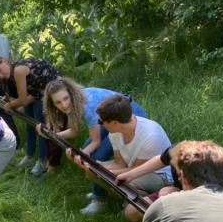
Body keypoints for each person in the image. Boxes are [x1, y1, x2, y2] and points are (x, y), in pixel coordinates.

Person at [42, 78, 148, 214]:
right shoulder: (73, 103)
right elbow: (75, 131)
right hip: (110, 119)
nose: (63, 105)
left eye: (65, 98)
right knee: (89, 154)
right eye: (58, 102)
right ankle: (99, 190)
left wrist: (82, 155)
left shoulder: (86, 106)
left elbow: (96, 142)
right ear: (52, 104)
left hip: (129, 117)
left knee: (95, 158)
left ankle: (100, 200)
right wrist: (52, 135)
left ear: (71, 93)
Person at [71, 94, 173, 216]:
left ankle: (140, 205)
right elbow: (119, 163)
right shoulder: (115, 132)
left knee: (123, 182)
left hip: (160, 174)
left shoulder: (150, 135)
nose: (101, 125)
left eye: (101, 121)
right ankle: (130, 200)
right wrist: (93, 165)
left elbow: (136, 170)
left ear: (114, 122)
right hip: (135, 169)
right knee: (92, 173)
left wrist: (102, 170)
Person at [116, 144, 223, 222]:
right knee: (131, 212)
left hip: (204, 210)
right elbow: (160, 160)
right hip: (180, 194)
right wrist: (130, 175)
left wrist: (169, 200)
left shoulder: (219, 182)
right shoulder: (179, 152)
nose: (179, 175)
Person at [0, 56, 61, 177]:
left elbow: (22, 100)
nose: (1, 75)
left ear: (6, 62)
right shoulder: (11, 73)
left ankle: (42, 161)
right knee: (29, 125)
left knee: (40, 127)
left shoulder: (18, 70)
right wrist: (9, 100)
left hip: (50, 88)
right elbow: (19, 94)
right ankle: (29, 155)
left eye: (0, 70)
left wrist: (10, 104)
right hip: (35, 92)